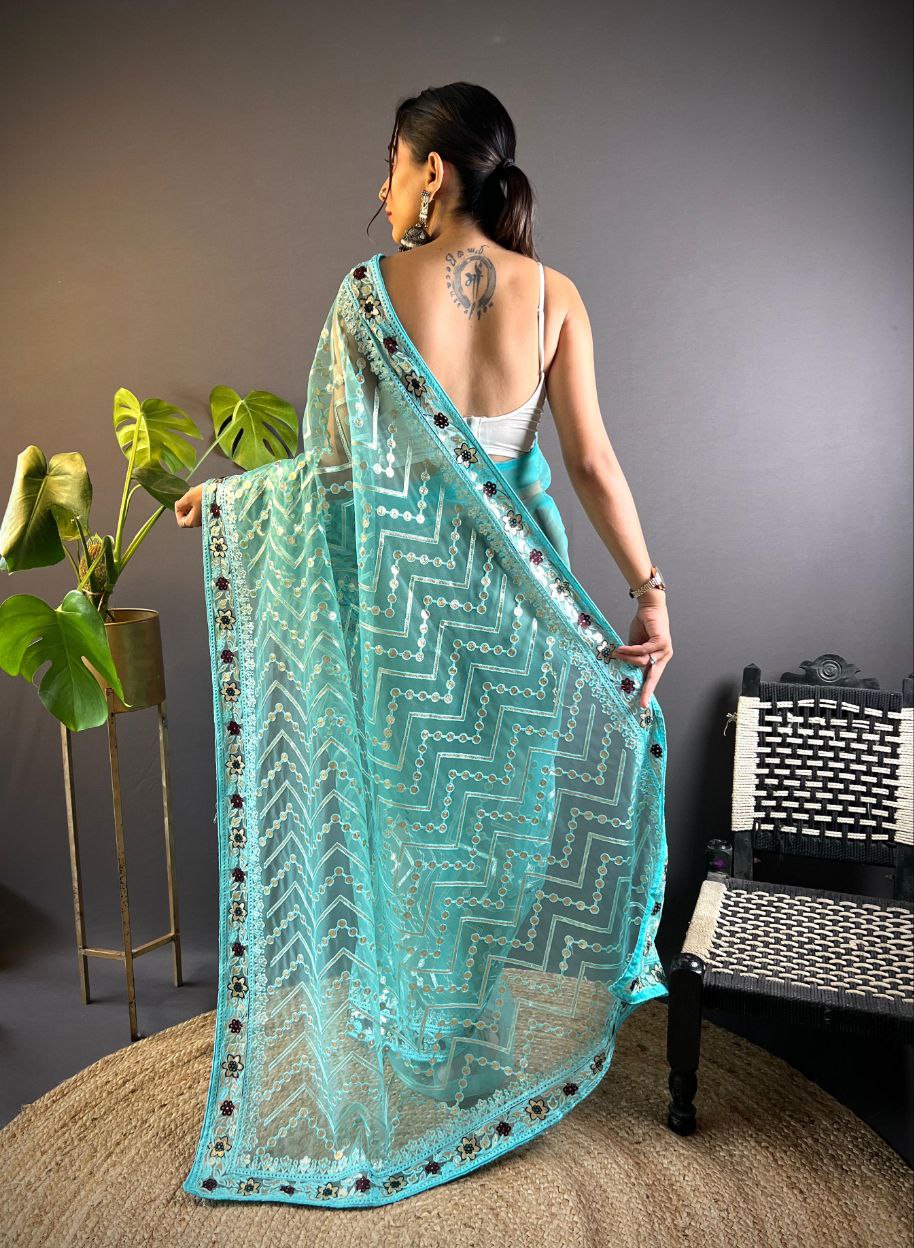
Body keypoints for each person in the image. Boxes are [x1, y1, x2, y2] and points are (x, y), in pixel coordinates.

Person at [175, 81, 671, 1209]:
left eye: (392, 165)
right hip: (524, 606)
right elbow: (591, 463)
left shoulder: (367, 298)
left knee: (418, 816)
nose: (383, 187)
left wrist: (239, 502)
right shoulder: (553, 296)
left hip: (411, 613)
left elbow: (335, 478)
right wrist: (647, 594)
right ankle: (471, 1035)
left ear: (433, 171)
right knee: (505, 821)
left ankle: (427, 1042)